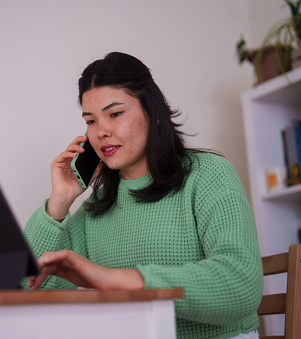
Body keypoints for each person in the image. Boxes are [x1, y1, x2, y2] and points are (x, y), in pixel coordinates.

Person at [23, 52, 263, 339]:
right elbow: (29, 289)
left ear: (153, 112)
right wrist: (59, 200)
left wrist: (114, 279)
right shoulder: (97, 207)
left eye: (115, 114)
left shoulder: (209, 174)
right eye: (90, 121)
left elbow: (240, 286)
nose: (101, 132)